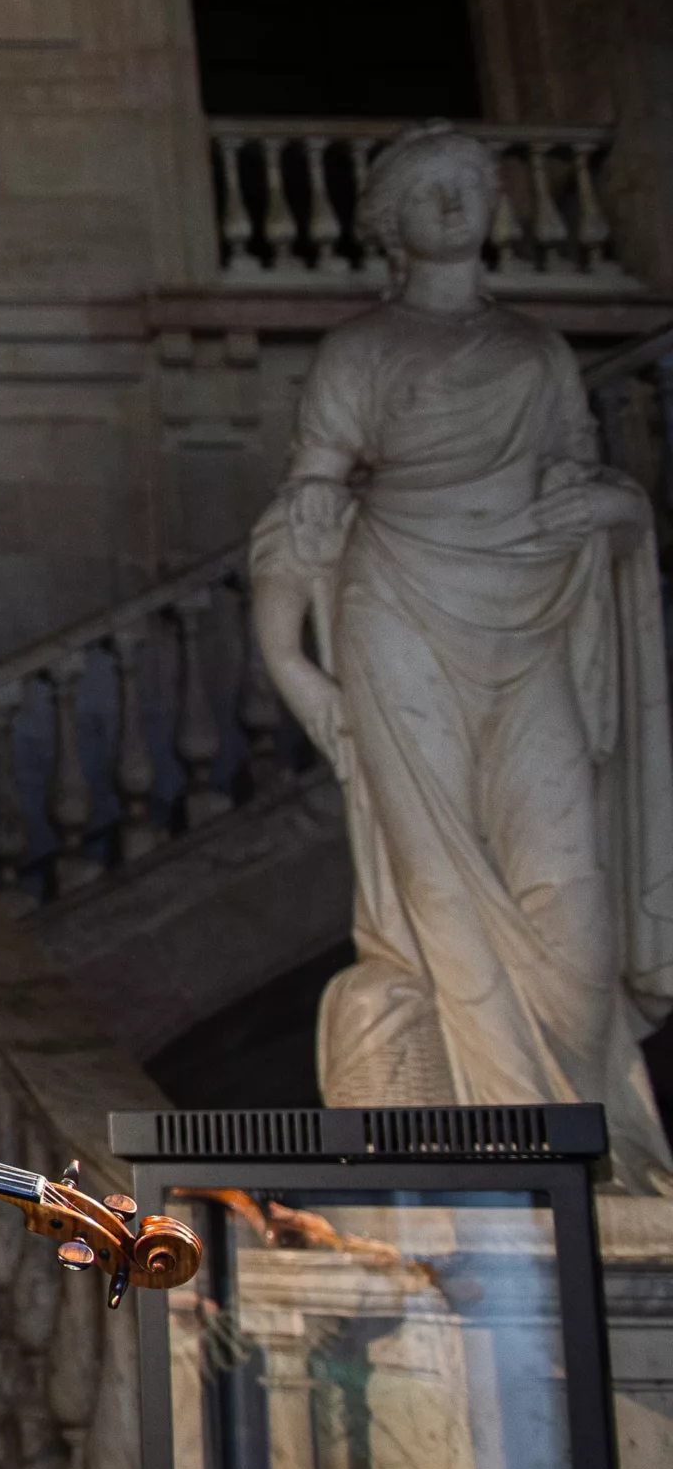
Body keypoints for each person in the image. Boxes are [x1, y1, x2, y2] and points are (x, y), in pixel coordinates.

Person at [249, 122, 673, 1187]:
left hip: (531, 610)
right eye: (426, 189)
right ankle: (502, 1145)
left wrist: (617, 508)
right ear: (390, 220)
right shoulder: (361, 353)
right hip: (399, 602)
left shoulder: (537, 355)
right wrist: (300, 675)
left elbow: (585, 481)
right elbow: (299, 523)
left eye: (468, 185)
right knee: (435, 877)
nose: (451, 203)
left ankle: (587, 1133)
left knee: (568, 890)